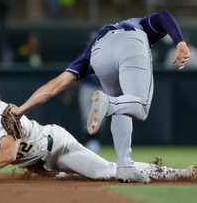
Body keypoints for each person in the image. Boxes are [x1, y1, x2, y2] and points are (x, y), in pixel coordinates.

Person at [10, 9, 191, 183]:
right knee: (140, 106)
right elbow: (163, 15)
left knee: (124, 104)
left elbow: (54, 86)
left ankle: (125, 166)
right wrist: (180, 42)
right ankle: (109, 104)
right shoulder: (140, 24)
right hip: (132, 39)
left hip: (99, 51)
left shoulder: (89, 50)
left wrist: (21, 110)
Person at [0, 73, 197, 182]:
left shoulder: (5, 116)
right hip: (40, 165)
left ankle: (183, 173)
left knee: (109, 173)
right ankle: (63, 175)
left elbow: (8, 154)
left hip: (57, 147)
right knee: (58, 178)